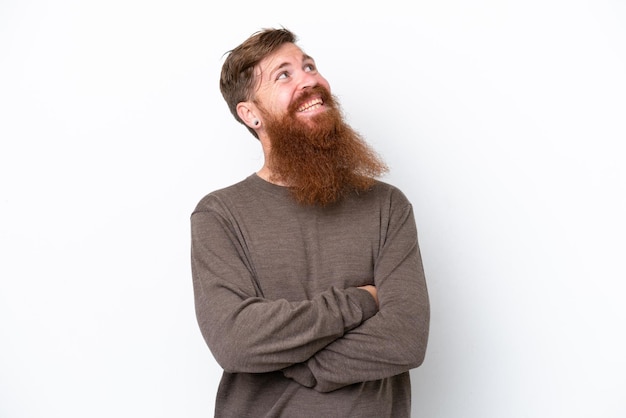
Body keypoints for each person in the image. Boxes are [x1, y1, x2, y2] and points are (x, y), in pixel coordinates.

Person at [191, 27, 430, 418]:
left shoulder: (388, 206)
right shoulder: (219, 215)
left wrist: (291, 361)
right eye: (283, 75)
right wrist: (361, 301)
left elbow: (405, 338)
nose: (310, 80)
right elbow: (235, 341)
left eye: (309, 66)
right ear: (250, 114)